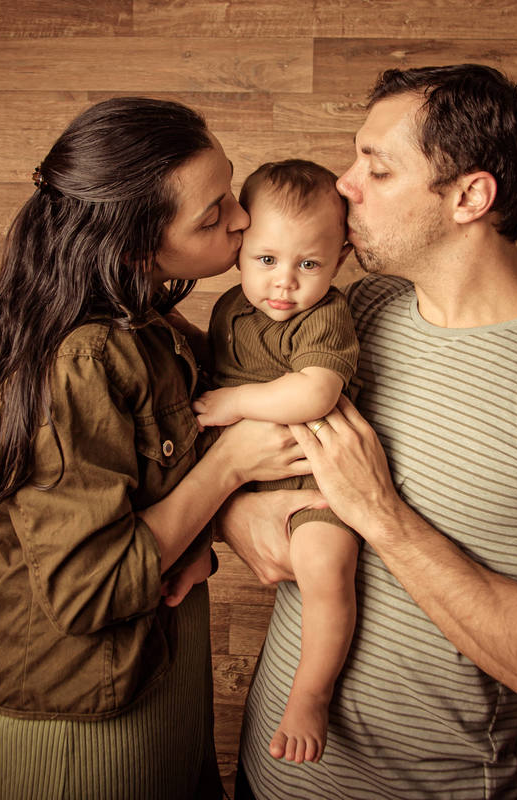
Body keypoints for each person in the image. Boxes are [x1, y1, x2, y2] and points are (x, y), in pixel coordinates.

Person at [222, 65, 517, 799]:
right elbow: (241, 444)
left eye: (376, 166)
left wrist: (384, 520)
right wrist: (241, 514)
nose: (344, 184)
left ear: (470, 196)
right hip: (263, 776)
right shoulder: (358, 313)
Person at [0, 97, 308, 800]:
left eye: (230, 188)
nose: (241, 217)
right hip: (78, 728)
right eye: (212, 214)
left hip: (151, 686)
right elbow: (91, 587)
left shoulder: (148, 326)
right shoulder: (79, 362)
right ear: (135, 247)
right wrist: (229, 467)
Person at [192, 159, 359, 765]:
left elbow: (315, 393)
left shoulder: (325, 315)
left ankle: (312, 693)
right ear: (240, 251)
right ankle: (190, 557)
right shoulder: (229, 310)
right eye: (267, 260)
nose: (283, 283)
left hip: (311, 477)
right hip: (242, 471)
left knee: (326, 566)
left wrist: (236, 401)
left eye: (308, 264)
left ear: (339, 260)